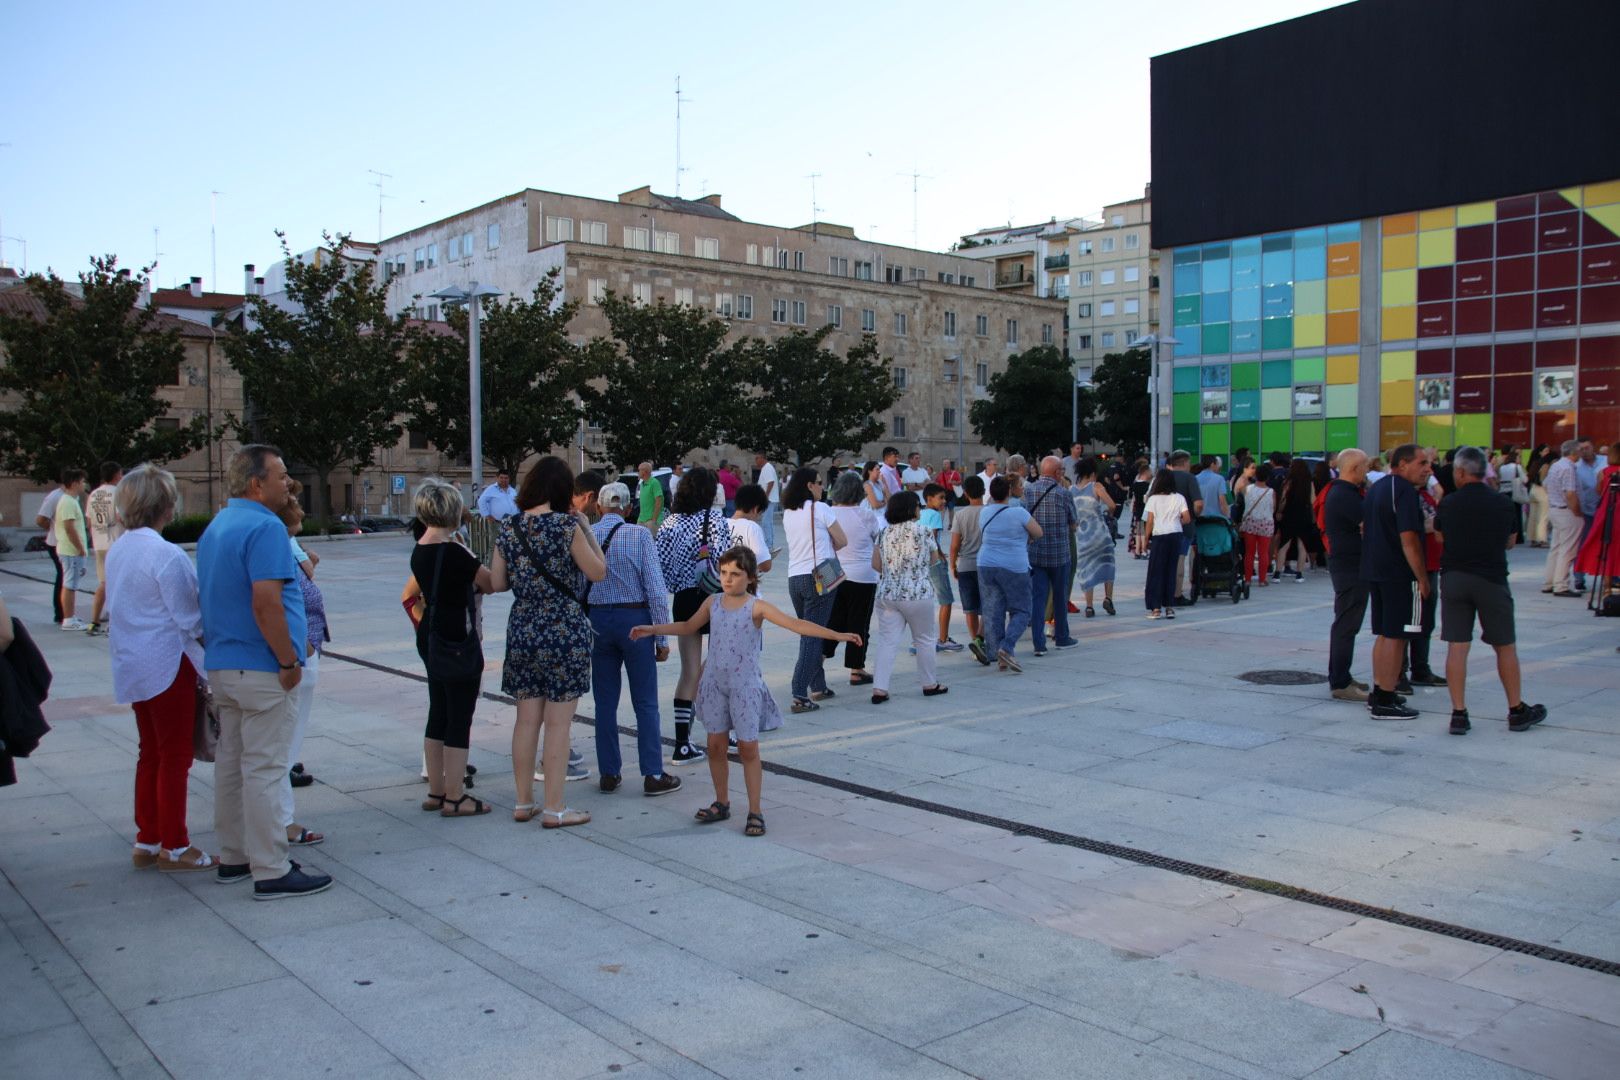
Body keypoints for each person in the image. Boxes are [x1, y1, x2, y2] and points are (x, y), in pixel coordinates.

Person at [632, 546, 859, 838]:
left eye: (735, 574)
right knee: (715, 745)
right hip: (714, 684)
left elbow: (796, 624)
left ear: (751, 577)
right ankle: (722, 801)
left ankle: (755, 810)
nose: (727, 579)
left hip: (744, 687)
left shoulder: (756, 607)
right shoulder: (712, 602)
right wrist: (652, 629)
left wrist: (837, 634)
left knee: (749, 748)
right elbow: (689, 626)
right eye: (724, 573)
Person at [197, 445, 328, 899]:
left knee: (232, 764)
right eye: (281, 475)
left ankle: (234, 855)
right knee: (266, 768)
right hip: (262, 668)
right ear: (256, 483)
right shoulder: (265, 527)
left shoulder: (217, 526)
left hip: (224, 666)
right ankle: (271, 867)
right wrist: (289, 660)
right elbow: (266, 601)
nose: (288, 483)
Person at [105, 464, 215, 872]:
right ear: (165, 506)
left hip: (132, 662)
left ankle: (148, 838)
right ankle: (175, 843)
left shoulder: (121, 547)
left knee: (150, 752)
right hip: (168, 664)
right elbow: (190, 618)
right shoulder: (166, 554)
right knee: (175, 756)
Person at [491, 456, 607, 827]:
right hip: (563, 628)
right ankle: (556, 808)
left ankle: (524, 802)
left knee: (526, 720)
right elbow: (598, 572)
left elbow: (496, 583)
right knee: (559, 723)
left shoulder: (508, 528)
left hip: (523, 626)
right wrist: (586, 528)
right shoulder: (565, 527)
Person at [1435, 447, 1547, 735]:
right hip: (1492, 579)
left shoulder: (1448, 503)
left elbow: (1439, 535)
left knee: (1457, 647)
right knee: (1504, 646)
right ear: (1484, 471)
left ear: (1460, 472)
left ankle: (1458, 713)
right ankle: (1515, 710)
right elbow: (1511, 541)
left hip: (1455, 577)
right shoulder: (1502, 503)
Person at [587, 482, 681, 797]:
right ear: (629, 509)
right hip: (635, 621)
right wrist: (662, 637)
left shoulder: (587, 536)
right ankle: (653, 772)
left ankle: (609, 772)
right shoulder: (639, 534)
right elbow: (655, 587)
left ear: (598, 508)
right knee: (645, 701)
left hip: (598, 621)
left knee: (604, 702)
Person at [411, 479, 496, 816]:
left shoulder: (421, 547)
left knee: (438, 712)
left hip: (430, 633)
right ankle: (455, 796)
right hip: (457, 636)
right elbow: (491, 583)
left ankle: (436, 791)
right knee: (460, 716)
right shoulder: (455, 550)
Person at [655, 467, 732, 762]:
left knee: (688, 671)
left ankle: (682, 743)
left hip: (685, 599)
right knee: (720, 667)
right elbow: (726, 558)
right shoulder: (713, 519)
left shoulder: (669, 523)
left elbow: (661, 568)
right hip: (715, 597)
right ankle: (725, 732)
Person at [274, 481, 329, 840]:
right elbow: (273, 604)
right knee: (282, 745)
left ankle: (278, 818)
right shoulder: (276, 546)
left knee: (284, 745)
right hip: (294, 657)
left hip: (301, 652)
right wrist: (296, 657)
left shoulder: (285, 545)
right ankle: (280, 822)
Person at [1361, 444, 1431, 721]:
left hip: (1377, 571)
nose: (1427, 469)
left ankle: (1380, 690)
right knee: (1398, 636)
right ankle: (1386, 698)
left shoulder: (1378, 488)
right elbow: (1409, 539)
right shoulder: (1404, 492)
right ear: (1402, 464)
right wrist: (1423, 578)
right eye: (1422, 463)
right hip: (1400, 574)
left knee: (1385, 633)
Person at [869, 491, 949, 703]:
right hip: (917, 593)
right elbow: (933, 560)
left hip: (887, 594)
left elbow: (875, 565)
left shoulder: (883, 533)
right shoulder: (923, 531)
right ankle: (929, 684)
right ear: (911, 508)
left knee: (887, 641)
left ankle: (879, 688)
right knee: (924, 639)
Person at [780, 467, 848, 712]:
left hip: (794, 577)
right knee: (813, 634)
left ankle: (818, 686)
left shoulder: (788, 513)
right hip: (819, 575)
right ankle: (799, 692)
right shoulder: (820, 509)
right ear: (809, 485)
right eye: (820, 483)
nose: (823, 487)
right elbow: (842, 540)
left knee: (808, 631)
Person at [977, 475, 1042, 671]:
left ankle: (997, 654)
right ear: (1009, 492)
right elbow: (1038, 532)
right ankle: (1006, 647)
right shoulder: (1019, 513)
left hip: (986, 563)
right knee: (1022, 610)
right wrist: (1025, 539)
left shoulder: (984, 512)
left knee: (993, 611)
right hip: (1015, 566)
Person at [1322, 450, 1371, 702]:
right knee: (1346, 623)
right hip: (1350, 567)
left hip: (1350, 564)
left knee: (1348, 623)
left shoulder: (1342, 492)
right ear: (1356, 468)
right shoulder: (1345, 495)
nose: (1367, 471)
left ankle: (1342, 675)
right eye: (1365, 467)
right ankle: (1340, 681)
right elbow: (1369, 523)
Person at [824, 472, 879, 686]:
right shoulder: (866, 515)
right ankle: (857, 669)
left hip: (832, 572)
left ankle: (819, 659)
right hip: (862, 575)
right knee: (859, 623)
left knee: (832, 622)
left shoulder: (828, 512)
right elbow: (877, 539)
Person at [1022, 456, 1079, 654]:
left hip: (1035, 554)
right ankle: (1062, 637)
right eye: (1062, 470)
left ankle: (1039, 644)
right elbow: (1074, 524)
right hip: (1059, 555)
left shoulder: (1028, 491)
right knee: (1060, 596)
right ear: (1057, 473)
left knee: (1038, 599)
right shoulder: (1064, 493)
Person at [920, 483, 966, 652]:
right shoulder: (934, 515)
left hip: (921, 563)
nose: (944, 501)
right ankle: (943, 638)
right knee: (946, 600)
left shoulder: (920, 514)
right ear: (929, 499)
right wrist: (940, 555)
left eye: (945, 498)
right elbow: (932, 538)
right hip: (935, 563)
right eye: (940, 498)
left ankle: (920, 640)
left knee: (925, 602)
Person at [1071, 458, 1117, 617]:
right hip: (1100, 533)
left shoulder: (1071, 490)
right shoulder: (1096, 486)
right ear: (1092, 474)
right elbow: (1111, 505)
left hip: (1083, 536)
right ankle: (1108, 598)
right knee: (1107, 563)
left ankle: (1089, 606)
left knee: (1086, 568)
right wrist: (1108, 515)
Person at [949, 475, 989, 663]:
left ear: (965, 493)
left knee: (970, 608)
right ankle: (981, 639)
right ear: (983, 491)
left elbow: (955, 544)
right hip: (986, 564)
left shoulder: (960, 515)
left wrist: (952, 564)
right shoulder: (989, 512)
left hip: (965, 565)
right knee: (988, 606)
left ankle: (975, 642)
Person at [1142, 468, 1190, 620]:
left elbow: (1149, 522)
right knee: (1170, 571)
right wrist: (1176, 522)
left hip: (1160, 536)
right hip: (1175, 535)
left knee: (1156, 573)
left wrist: (1145, 540)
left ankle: (1155, 608)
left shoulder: (1153, 499)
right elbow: (1187, 519)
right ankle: (1169, 607)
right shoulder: (1179, 498)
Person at [1541, 440, 1585, 597]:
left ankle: (1550, 582)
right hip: (1567, 512)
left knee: (1556, 548)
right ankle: (1561, 585)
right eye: (1579, 450)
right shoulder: (1569, 468)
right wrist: (1578, 511)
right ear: (1573, 452)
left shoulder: (1556, 465)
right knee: (1568, 550)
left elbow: (1545, 484)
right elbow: (1570, 493)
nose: (1581, 453)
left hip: (1555, 509)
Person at [85, 461, 122, 634]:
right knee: (117, 586)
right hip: (115, 543)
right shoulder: (118, 493)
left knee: (103, 583)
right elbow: (120, 517)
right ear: (116, 475)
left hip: (99, 543)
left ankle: (94, 621)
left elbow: (89, 520)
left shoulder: (93, 494)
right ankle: (113, 624)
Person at [1574, 450, 1619, 589]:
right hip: (1617, 511)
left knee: (1606, 545)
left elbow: (1600, 490)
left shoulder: (1604, 472)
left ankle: (1607, 584)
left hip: (1606, 511)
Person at [1165, 452, 1204, 602]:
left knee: (1166, 559)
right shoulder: (1189, 478)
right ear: (1185, 463)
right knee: (1179, 558)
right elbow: (1198, 503)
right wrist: (1195, 514)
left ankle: (1165, 591)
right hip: (1184, 525)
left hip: (1163, 526)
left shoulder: (1162, 477)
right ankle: (1177, 594)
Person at [53, 469, 89, 630]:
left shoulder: (70, 500)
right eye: (82, 482)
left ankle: (70, 615)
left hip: (70, 550)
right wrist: (80, 548)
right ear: (74, 483)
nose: (84, 485)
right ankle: (68, 619)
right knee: (70, 584)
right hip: (70, 551)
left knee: (71, 584)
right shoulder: (68, 501)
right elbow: (69, 528)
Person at [1572, 438, 1605, 593]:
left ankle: (1614, 576)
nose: (1585, 451)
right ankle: (1579, 577)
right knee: (1582, 544)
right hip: (1587, 512)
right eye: (1581, 449)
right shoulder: (1576, 467)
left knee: (1608, 543)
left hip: (1606, 510)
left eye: (1587, 447)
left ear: (1593, 447)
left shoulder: (1605, 461)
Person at [35, 474, 70, 625]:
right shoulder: (55, 497)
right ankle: (61, 613)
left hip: (64, 543)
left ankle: (63, 612)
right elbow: (40, 519)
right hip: (56, 543)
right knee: (63, 577)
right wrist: (54, 530)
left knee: (65, 577)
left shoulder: (68, 497)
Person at [729, 484, 773, 574]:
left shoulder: (722, 523)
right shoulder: (752, 527)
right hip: (745, 585)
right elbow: (765, 565)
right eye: (759, 514)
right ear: (755, 509)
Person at [1497, 448, 1528, 544]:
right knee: (1517, 515)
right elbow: (1524, 479)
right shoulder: (1516, 467)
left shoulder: (1502, 467)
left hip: (1503, 492)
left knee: (1506, 515)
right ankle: (1517, 537)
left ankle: (1506, 535)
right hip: (1514, 492)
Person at [1525, 444, 1552, 547]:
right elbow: (1543, 480)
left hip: (1533, 489)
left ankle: (1533, 539)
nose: (1547, 453)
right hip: (1541, 490)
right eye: (1545, 451)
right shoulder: (1545, 463)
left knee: (1533, 516)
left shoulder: (1534, 463)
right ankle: (1542, 539)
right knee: (1543, 516)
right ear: (1540, 452)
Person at [754, 453, 780, 552]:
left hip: (769, 499)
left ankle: (769, 545)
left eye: (757, 458)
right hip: (768, 499)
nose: (756, 461)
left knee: (766, 522)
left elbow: (771, 482)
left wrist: (765, 496)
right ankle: (769, 543)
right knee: (768, 522)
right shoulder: (766, 468)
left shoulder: (767, 468)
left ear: (763, 458)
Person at [1129, 461, 1152, 559]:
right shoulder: (1146, 486)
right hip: (1144, 510)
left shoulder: (1134, 485)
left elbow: (1132, 498)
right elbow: (1146, 500)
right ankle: (1143, 550)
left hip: (1137, 510)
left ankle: (1137, 551)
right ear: (1145, 473)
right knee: (1143, 532)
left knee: (1138, 532)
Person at [1197, 455, 1229, 521]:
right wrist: (1228, 518)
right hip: (1216, 519)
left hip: (1199, 520)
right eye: (1216, 464)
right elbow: (1222, 502)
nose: (1217, 467)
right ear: (1212, 464)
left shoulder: (1195, 478)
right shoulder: (1219, 479)